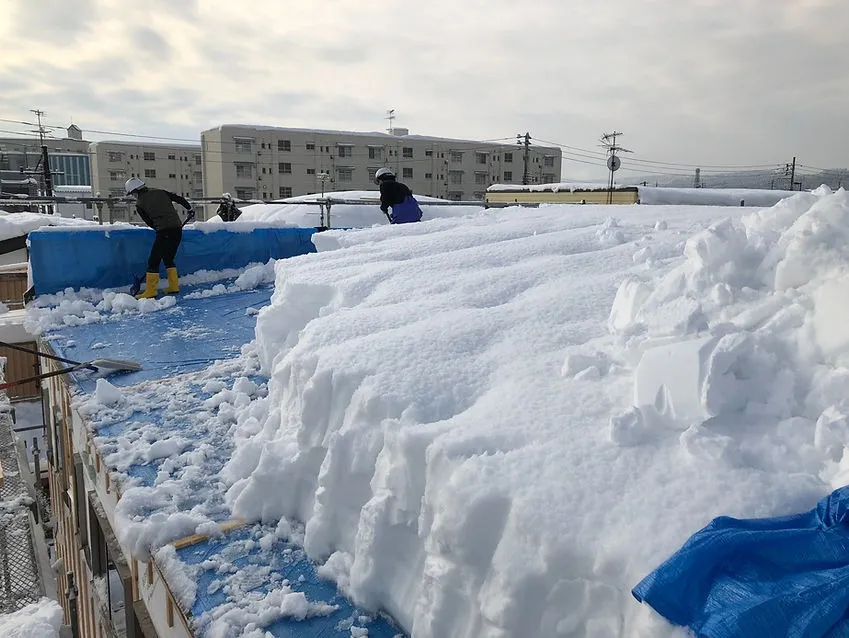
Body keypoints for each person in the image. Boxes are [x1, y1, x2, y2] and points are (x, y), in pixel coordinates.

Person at [124, 177, 195, 299]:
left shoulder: (140, 204)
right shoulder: (160, 191)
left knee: (153, 261)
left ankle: (150, 291)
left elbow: (149, 222)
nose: (133, 196)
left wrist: (159, 229)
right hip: (177, 229)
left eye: (132, 194)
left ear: (135, 191)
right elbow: (179, 199)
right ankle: (173, 287)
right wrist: (189, 209)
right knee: (168, 258)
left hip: (164, 231)